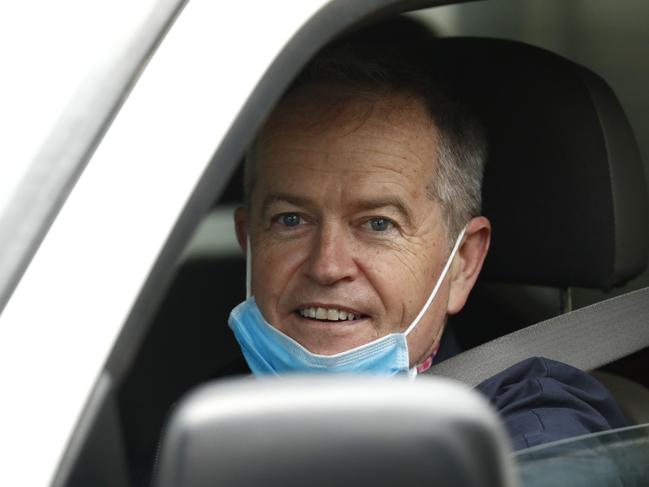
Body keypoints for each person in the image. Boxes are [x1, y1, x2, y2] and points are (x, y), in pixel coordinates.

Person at [226, 27, 628, 450]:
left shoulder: (531, 430)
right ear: (248, 242)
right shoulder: (211, 406)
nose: (327, 265)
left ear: (462, 264)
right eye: (290, 219)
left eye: (378, 224)